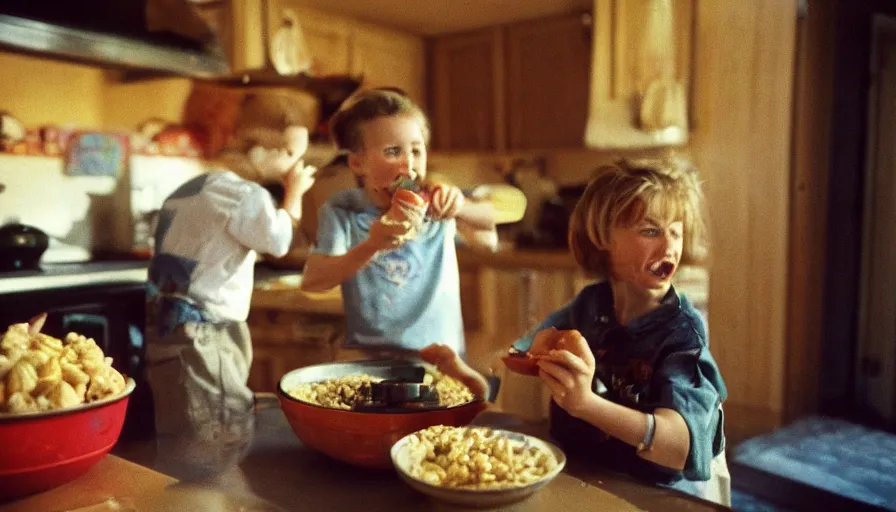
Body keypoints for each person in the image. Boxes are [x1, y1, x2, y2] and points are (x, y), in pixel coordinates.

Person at [437, 157, 730, 505]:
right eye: (650, 231)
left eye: (676, 231)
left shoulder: (683, 334)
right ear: (603, 237)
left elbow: (680, 447)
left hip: (653, 493)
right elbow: (518, 358)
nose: (669, 247)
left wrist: (586, 405)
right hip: (585, 473)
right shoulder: (590, 304)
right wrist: (468, 378)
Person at [144, 92, 317, 483]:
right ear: (259, 149)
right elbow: (280, 241)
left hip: (165, 323)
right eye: (289, 154)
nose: (295, 165)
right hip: (209, 328)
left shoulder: (188, 189)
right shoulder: (245, 195)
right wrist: (294, 194)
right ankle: (213, 494)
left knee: (180, 417)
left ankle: (180, 491)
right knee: (218, 418)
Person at [300, 88, 498, 366]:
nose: (409, 165)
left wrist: (461, 206)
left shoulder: (435, 199)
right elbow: (314, 281)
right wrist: (372, 245)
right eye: (393, 151)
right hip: (369, 359)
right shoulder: (343, 210)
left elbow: (488, 238)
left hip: (441, 359)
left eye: (416, 151)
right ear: (358, 162)